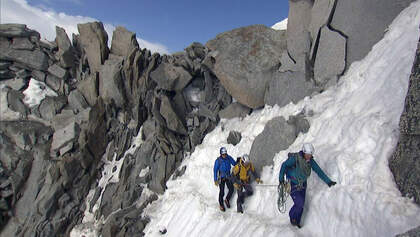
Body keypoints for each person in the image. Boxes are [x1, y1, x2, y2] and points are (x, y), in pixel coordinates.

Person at [279, 143, 336, 228]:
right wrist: (281, 179)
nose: (309, 156)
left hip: (303, 184)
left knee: (301, 204)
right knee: (299, 203)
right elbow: (284, 165)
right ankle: (292, 217)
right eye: (308, 154)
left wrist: (328, 182)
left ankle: (297, 222)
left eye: (310, 154)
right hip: (292, 183)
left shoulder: (311, 162)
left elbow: (319, 171)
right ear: (304, 152)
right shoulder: (295, 159)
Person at [214, 147, 236, 212]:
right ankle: (221, 204)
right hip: (221, 177)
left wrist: (239, 163)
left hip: (228, 176)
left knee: (231, 189)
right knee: (222, 192)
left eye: (225, 154)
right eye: (223, 154)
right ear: (221, 154)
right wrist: (215, 179)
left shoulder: (229, 158)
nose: (224, 155)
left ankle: (227, 199)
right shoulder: (218, 161)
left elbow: (234, 163)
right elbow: (215, 170)